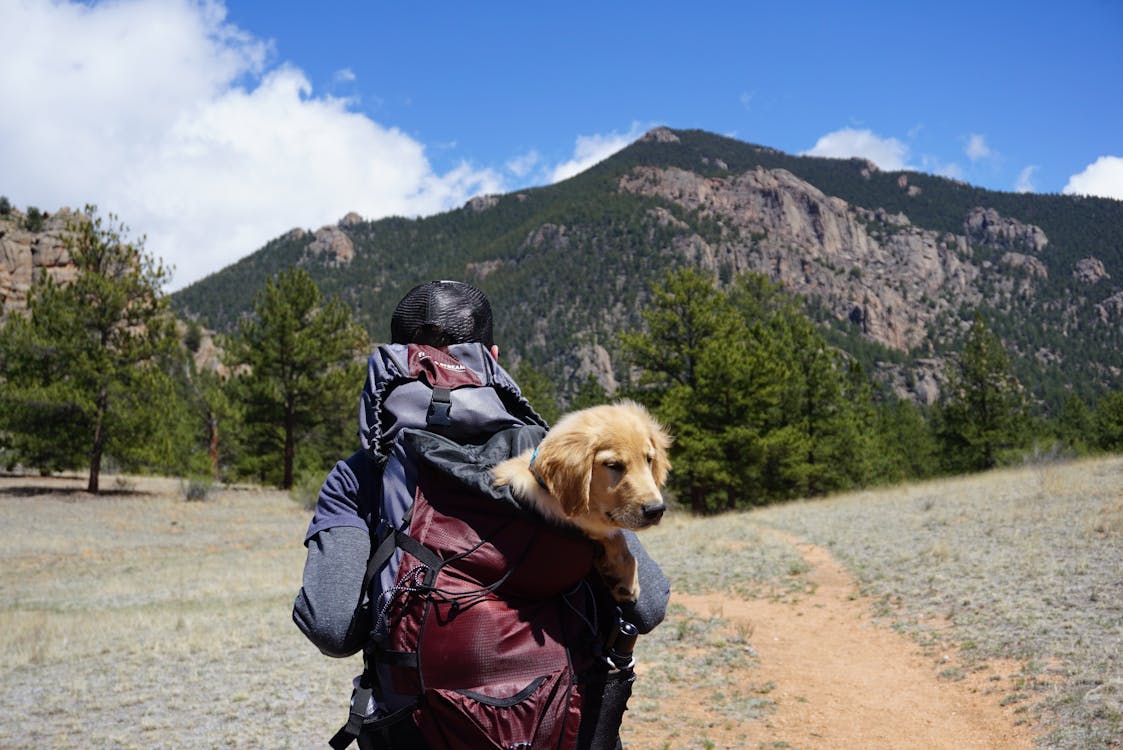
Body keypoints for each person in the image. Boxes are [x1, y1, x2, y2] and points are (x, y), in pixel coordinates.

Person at [294, 280, 670, 750]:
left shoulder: (359, 475)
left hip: (421, 727)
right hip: (560, 723)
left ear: (398, 357)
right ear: (492, 356)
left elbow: (332, 629)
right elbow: (649, 605)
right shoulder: (554, 458)